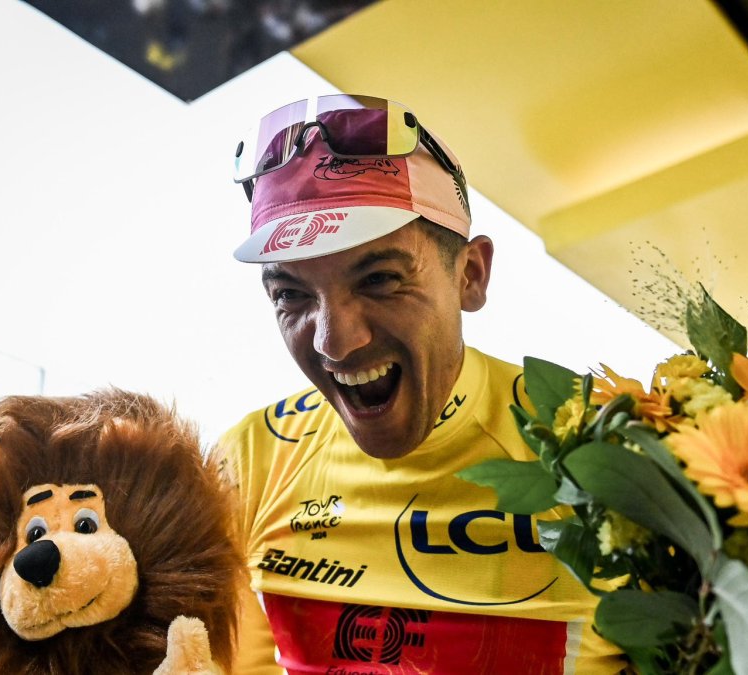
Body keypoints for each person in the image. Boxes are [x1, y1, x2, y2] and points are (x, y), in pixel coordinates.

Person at [213, 95, 625, 673]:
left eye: (380, 278)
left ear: (471, 276)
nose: (335, 341)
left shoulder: (609, 446)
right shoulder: (250, 461)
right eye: (291, 294)